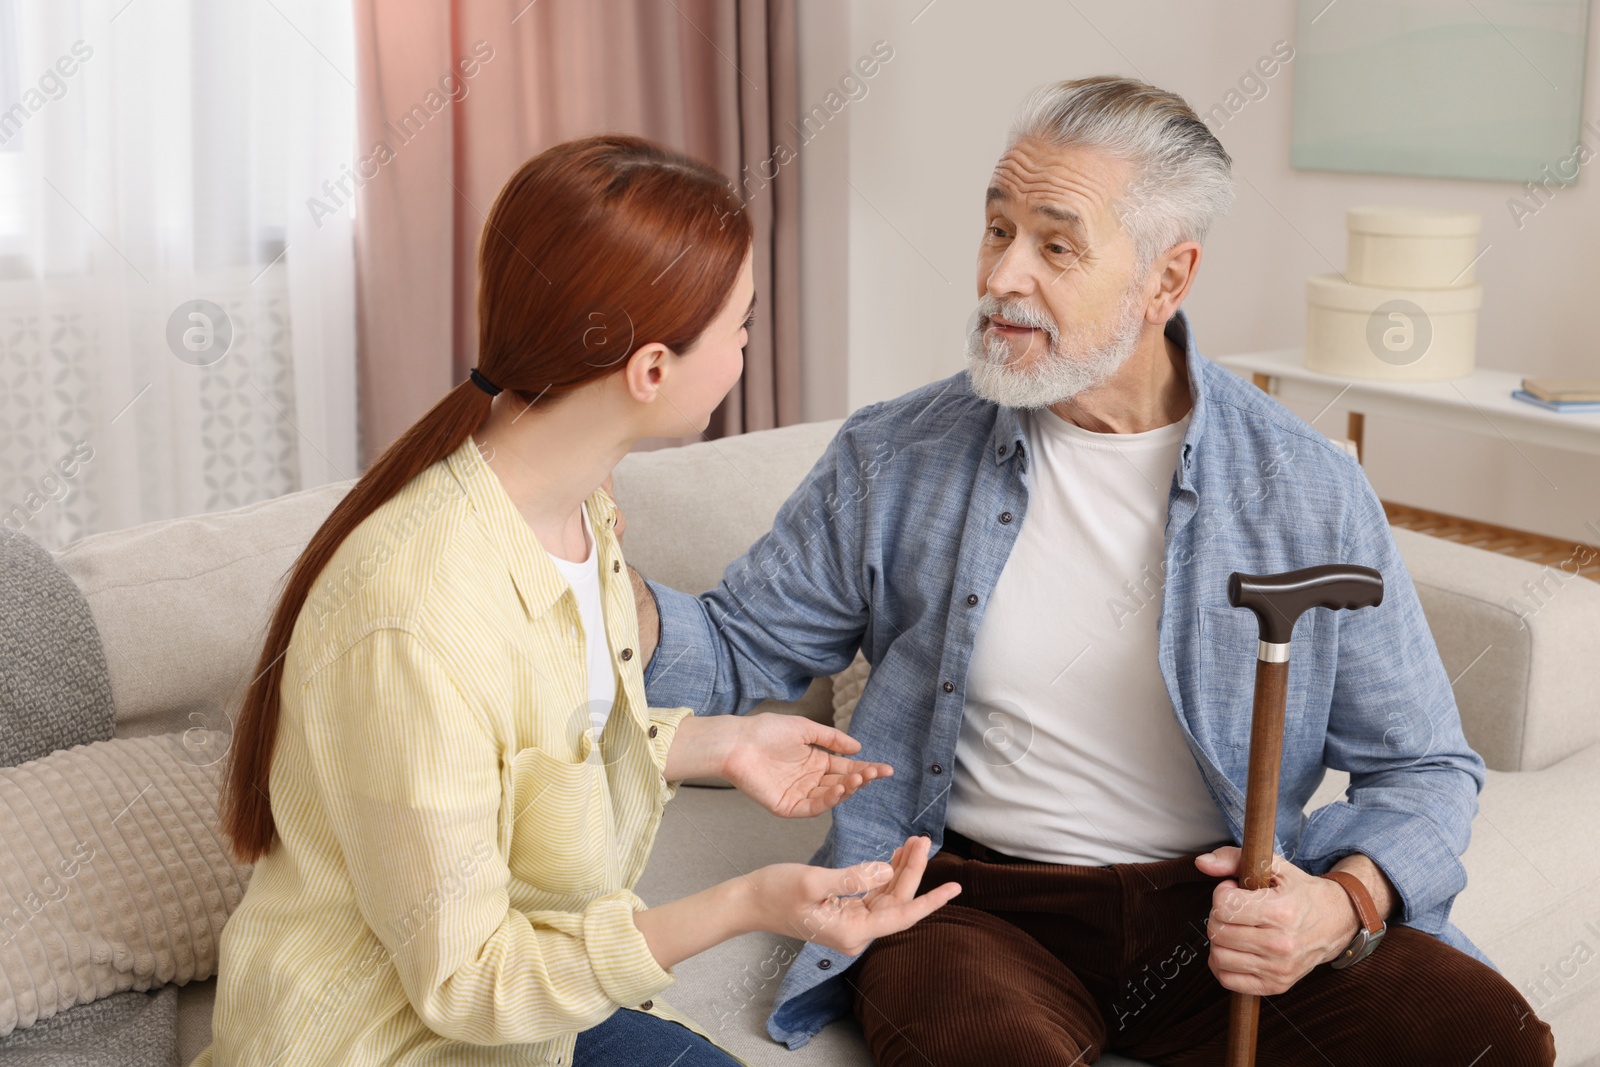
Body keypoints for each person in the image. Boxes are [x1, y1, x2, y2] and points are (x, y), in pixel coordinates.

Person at [632, 78, 1559, 1065]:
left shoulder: (1306, 485)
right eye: (996, 230)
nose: (1003, 275)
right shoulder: (895, 455)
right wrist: (580, 566)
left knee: (1491, 1039)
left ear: (1167, 278)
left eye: (1054, 243)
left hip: (1218, 917)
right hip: (968, 905)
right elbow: (735, 651)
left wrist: (1341, 900)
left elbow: (1422, 763)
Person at [192, 134, 960, 1067]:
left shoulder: (577, 514)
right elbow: (471, 983)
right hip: (383, 1042)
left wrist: (721, 742)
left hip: (537, 1028)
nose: (747, 350)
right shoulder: (415, 616)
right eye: (741, 327)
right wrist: (749, 900)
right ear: (651, 370)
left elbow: (543, 734)